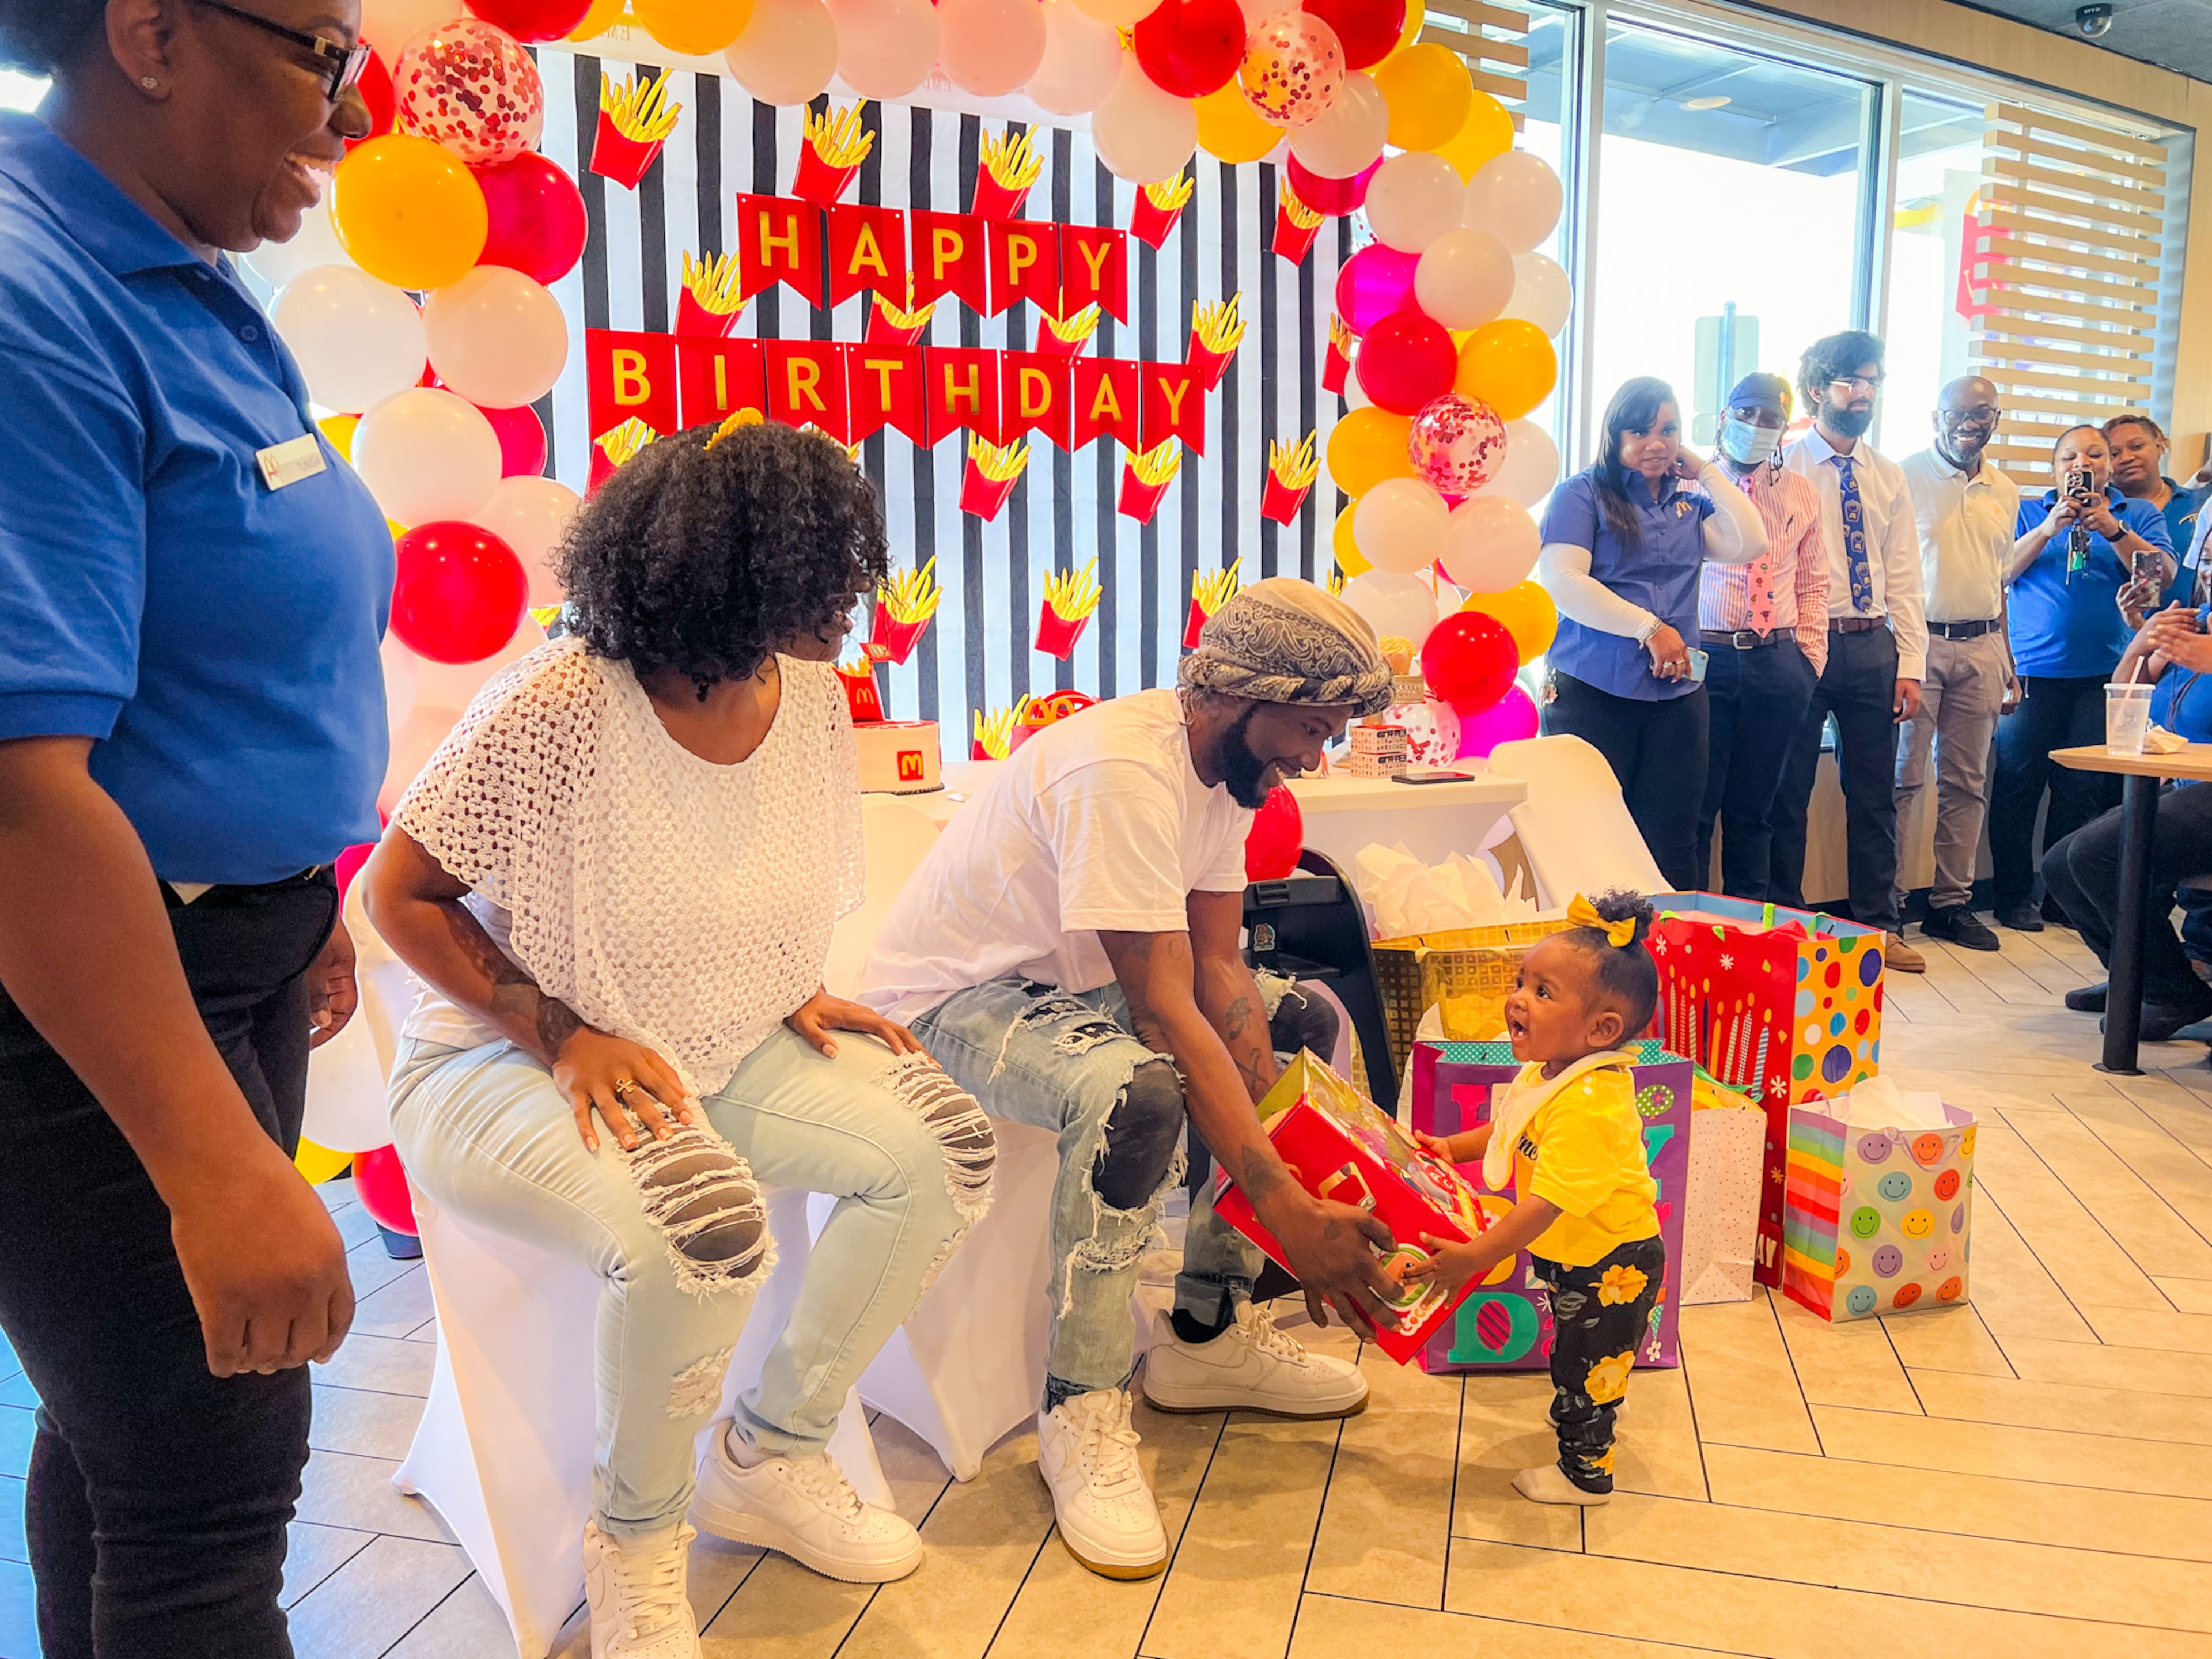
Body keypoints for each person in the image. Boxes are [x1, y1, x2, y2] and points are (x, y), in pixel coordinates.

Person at [364, 419, 997, 1659]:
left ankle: (771, 1454)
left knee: (945, 1152)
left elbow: (749, 864)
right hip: (500, 1058)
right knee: (706, 1230)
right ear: (723, 578)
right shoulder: (562, 701)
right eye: (821, 578)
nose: (850, 606)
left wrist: (784, 983)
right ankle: (637, 1544)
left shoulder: (805, 688)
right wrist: (557, 1030)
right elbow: (396, 898)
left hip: (720, 1036)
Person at [0, 6, 392, 1653]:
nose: (353, 118)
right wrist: (216, 1167)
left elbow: (232, 642)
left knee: (135, 1462)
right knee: (213, 1493)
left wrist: (303, 893)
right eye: (328, 57)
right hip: (89, 993)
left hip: (229, 949)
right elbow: (17, 795)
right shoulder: (34, 305)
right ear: (152, 34)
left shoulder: (188, 279)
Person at [855, 579, 1400, 1582]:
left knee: (1307, 1021)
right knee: (1138, 1093)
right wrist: (1284, 1202)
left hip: (1076, 992)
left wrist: (1282, 1155)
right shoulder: (1121, 769)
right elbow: (1160, 1010)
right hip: (947, 1007)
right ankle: (1084, 1409)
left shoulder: (1230, 775)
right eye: (1309, 729)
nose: (1314, 760)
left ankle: (1205, 1331)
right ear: (1243, 694)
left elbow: (1221, 972)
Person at [1407, 891, 1664, 1509]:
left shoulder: (1589, 1103)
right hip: (1579, 1257)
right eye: (1522, 981)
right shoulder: (1549, 1072)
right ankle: (1580, 1414)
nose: (1518, 998)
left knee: (1589, 1369)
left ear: (1601, 1029)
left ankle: (1586, 1475)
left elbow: (1545, 1202)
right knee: (1576, 1353)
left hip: (1613, 1266)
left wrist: (1473, 1256)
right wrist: (1451, 1147)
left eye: (1543, 992)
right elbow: (1509, 1130)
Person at [1535, 377, 1768, 891]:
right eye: (1640, 431)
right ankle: (1592, 964)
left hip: (1677, 695)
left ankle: (1666, 961)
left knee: (1674, 840)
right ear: (1614, 434)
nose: (1656, 443)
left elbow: (1751, 540)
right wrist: (1650, 628)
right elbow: (1562, 581)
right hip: (1593, 690)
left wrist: (1706, 471)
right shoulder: (1582, 494)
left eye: (1669, 430)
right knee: (1590, 836)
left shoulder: (1688, 504)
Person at [1768, 331, 1929, 972]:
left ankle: (1877, 926)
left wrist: (1910, 666)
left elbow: (1905, 576)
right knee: (1789, 790)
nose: (1864, 393)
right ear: (1817, 389)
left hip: (1870, 646)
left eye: (1872, 382)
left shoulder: (1886, 476)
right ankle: (1786, 921)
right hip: (1801, 644)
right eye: (1851, 382)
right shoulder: (1783, 465)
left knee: (1874, 794)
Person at [1988, 424, 2173, 933]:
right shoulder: (2027, 511)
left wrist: (2110, 529)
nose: (2081, 463)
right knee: (2017, 784)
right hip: (2032, 672)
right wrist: (2051, 526)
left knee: (2082, 787)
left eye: (2095, 454)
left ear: (2109, 465)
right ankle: (2012, 897)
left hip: (2102, 674)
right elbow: (1999, 573)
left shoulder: (2136, 514)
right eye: (2070, 456)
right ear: (2054, 467)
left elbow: (2158, 579)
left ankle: (2062, 898)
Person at [2042, 601, 2212, 1041]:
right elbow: (2126, 699)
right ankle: (2135, 976)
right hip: (2181, 782)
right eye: (2209, 559)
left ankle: (2173, 991)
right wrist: (2139, 644)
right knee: (2061, 862)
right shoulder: (2198, 620)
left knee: (2096, 855)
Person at [1895, 377, 2021, 953]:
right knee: (1901, 780)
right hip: (1916, 647)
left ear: (1996, 419)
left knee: (1968, 783)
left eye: (1983, 412)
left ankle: (1951, 904)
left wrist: (2007, 658)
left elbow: (1999, 583)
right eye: (1960, 412)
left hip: (1982, 646)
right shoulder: (1904, 477)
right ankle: (1887, 905)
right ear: (1936, 416)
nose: (1972, 422)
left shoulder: (2005, 489)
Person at [1694, 373, 1828, 898]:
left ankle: (1747, 939)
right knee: (1696, 811)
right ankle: (1691, 935)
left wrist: (1808, 661)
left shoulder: (1801, 491)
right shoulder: (1690, 487)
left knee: (1757, 814)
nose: (1756, 427)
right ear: (1725, 418)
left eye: (1770, 419)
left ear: (1784, 429)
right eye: (1746, 415)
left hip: (1777, 662)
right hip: (1706, 659)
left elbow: (1815, 580)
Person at [2104, 415, 2206, 605]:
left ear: (2159, 447)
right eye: (2114, 454)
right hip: (2124, 629)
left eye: (2136, 447)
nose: (2126, 458)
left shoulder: (2198, 505)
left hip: (2195, 626)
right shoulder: (2100, 518)